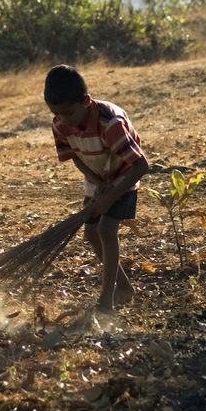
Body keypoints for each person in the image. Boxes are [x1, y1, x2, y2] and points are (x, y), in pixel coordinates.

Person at [43, 64, 149, 313]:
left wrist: (111, 194)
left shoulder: (109, 123)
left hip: (124, 174)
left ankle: (106, 300)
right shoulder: (60, 123)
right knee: (90, 233)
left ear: (86, 101)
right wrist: (98, 183)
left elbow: (141, 165)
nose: (64, 120)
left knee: (106, 229)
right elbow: (75, 156)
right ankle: (124, 288)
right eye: (56, 113)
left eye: (69, 113)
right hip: (98, 176)